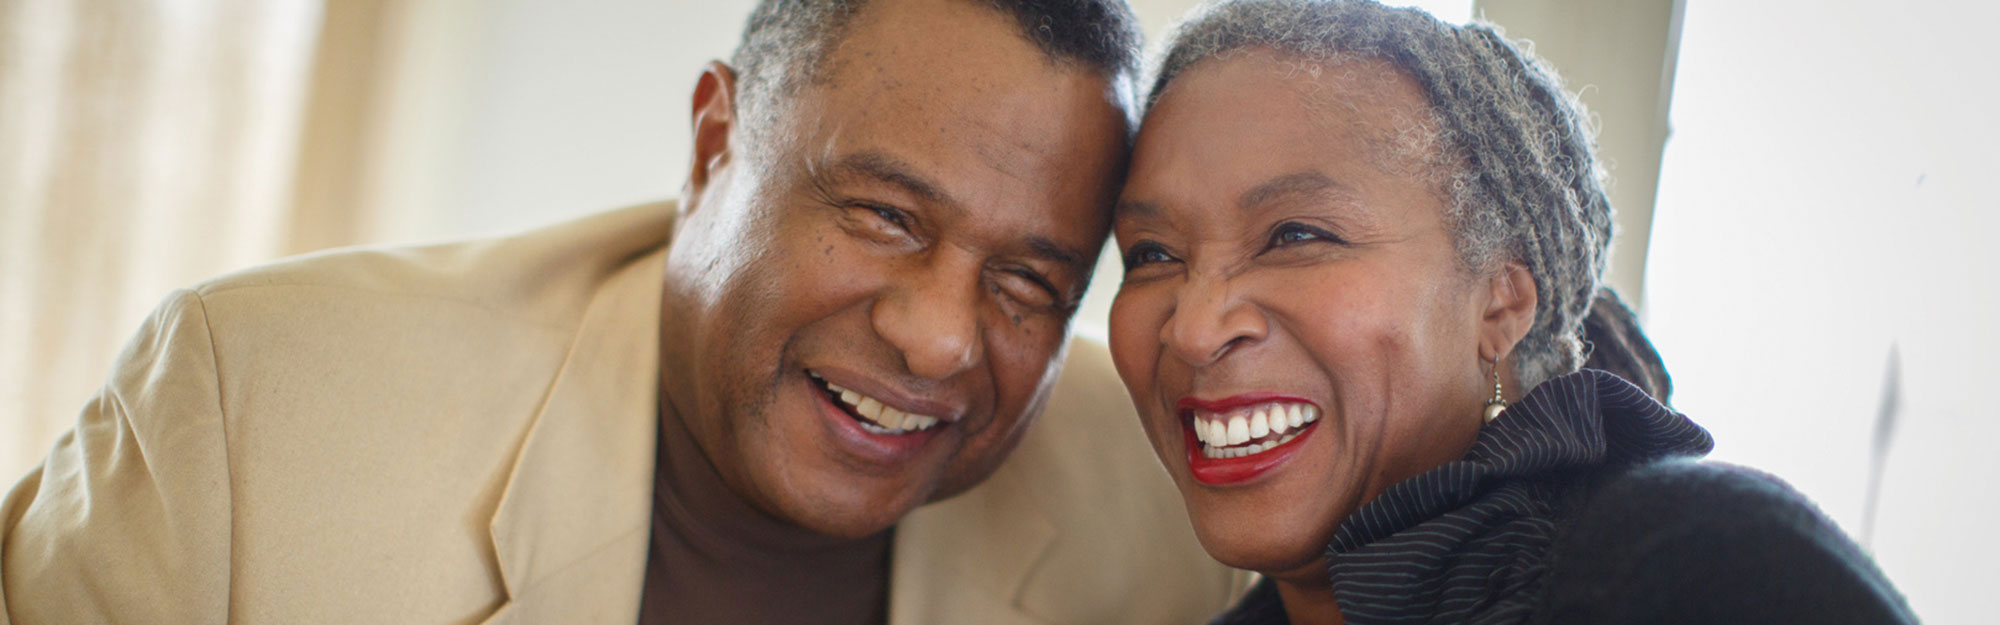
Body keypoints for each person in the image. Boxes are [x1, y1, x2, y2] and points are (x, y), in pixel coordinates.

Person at [0, 1, 1240, 623]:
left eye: (1030, 282)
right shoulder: (257, 407)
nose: (936, 335)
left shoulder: (1157, 519)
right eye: (882, 215)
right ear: (712, 145)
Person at [1106, 1, 1916, 623]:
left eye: (1295, 234)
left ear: (1502, 302)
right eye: (1151, 253)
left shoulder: (1705, 568)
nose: (1193, 327)